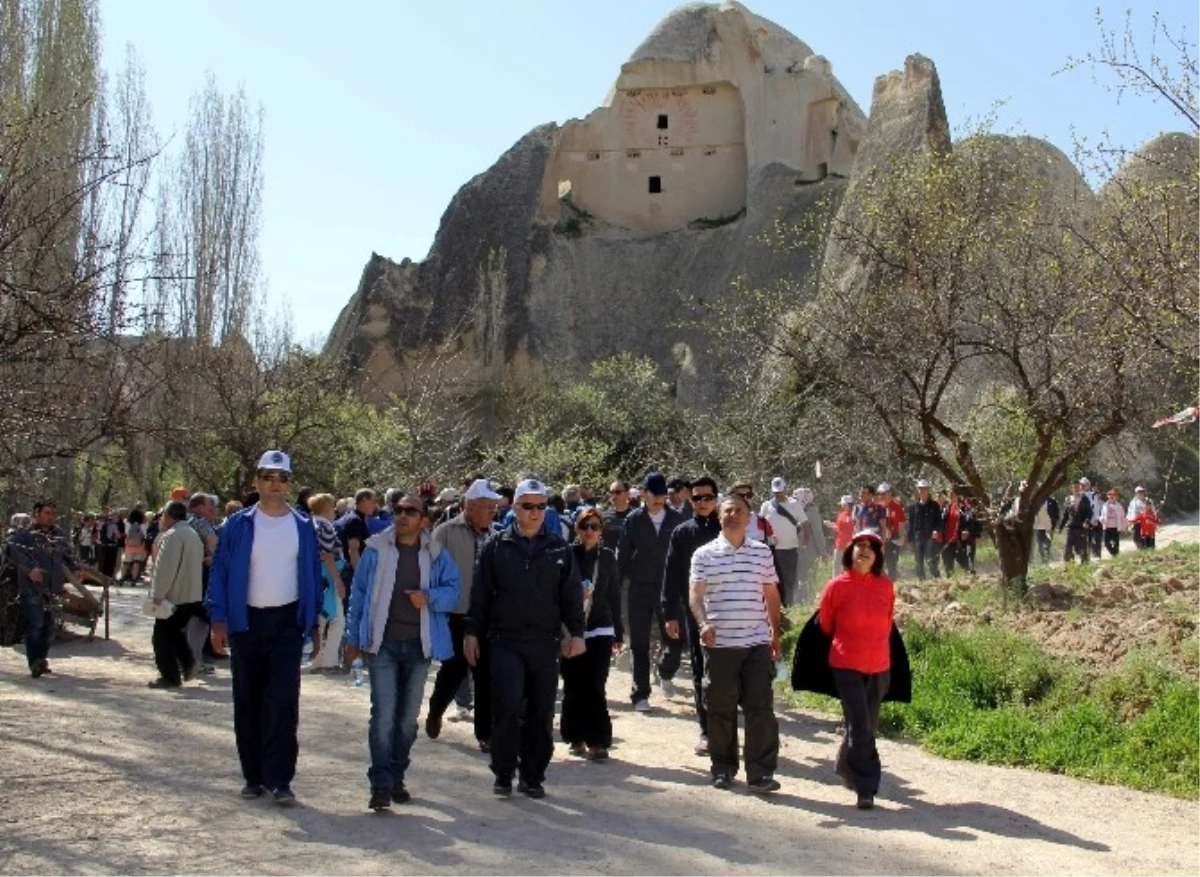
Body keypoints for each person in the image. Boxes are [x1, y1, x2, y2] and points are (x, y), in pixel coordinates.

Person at [207, 450, 324, 806]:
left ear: (289, 484)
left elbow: (312, 577)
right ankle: (253, 776)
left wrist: (315, 621)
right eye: (268, 477)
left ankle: (280, 779)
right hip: (247, 623)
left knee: (283, 701)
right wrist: (218, 619)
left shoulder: (304, 526)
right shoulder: (237, 525)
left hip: (287, 623)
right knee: (248, 699)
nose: (275, 484)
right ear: (256, 481)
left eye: (282, 478)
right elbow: (221, 574)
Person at [464, 478, 585, 799]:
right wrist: (472, 632)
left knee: (541, 711)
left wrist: (577, 633)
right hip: (505, 640)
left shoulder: (560, 547)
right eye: (528, 506)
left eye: (541, 507)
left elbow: (572, 595)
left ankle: (533, 775)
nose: (534, 512)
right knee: (507, 705)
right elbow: (480, 594)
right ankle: (503, 772)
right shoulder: (497, 546)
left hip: (545, 643)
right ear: (515, 507)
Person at [346, 494, 461, 811]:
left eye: (411, 511)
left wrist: (429, 597)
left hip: (419, 646)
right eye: (398, 510)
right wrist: (352, 637)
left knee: (407, 720)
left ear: (424, 519)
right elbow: (359, 594)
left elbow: (454, 591)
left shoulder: (436, 554)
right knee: (383, 716)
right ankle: (380, 784)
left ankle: (396, 775)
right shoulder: (376, 550)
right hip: (382, 645)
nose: (403, 515)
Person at [688, 493, 783, 793]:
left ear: (748, 517)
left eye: (739, 511)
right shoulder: (703, 554)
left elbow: (771, 595)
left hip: (755, 642)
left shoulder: (762, 553)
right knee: (720, 707)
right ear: (719, 515)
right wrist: (703, 624)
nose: (733, 515)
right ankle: (723, 768)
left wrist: (775, 634)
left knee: (760, 707)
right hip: (720, 644)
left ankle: (760, 773)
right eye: (728, 510)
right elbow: (695, 594)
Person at [819, 530, 895, 810]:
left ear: (877, 557)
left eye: (870, 548)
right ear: (849, 551)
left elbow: (888, 622)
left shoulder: (885, 586)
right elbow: (826, 624)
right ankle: (866, 787)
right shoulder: (836, 586)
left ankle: (845, 765)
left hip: (879, 665)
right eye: (859, 546)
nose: (864, 551)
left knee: (867, 723)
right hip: (846, 663)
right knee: (860, 725)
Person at [427, 478, 502, 750]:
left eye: (494, 508)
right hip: (455, 612)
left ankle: (486, 733)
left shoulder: (496, 535)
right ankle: (436, 710)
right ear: (469, 507)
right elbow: (430, 568)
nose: (492, 512)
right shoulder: (445, 532)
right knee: (454, 668)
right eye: (486, 507)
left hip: (486, 615)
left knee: (486, 674)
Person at [662, 476, 722, 756]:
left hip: (731, 609)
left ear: (716, 498)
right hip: (696, 610)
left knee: (730, 671)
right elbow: (672, 575)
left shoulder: (730, 528)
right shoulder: (682, 532)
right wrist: (669, 613)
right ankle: (707, 731)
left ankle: (726, 728)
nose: (702, 503)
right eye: (696, 498)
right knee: (701, 669)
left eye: (707, 497)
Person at [618, 471, 686, 711]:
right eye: (654, 494)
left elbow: (685, 555)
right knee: (639, 642)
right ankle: (640, 694)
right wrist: (624, 579)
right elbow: (623, 554)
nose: (658, 499)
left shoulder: (677, 520)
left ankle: (666, 671)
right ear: (644, 494)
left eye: (662, 495)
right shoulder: (633, 520)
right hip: (640, 587)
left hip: (670, 589)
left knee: (676, 639)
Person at [560, 507, 622, 760]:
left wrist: (619, 631)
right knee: (573, 684)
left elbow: (614, 595)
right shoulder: (566, 555)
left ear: (601, 530)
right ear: (577, 529)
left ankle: (598, 740)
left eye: (594, 527)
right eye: (584, 526)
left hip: (601, 627)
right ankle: (575, 736)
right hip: (572, 629)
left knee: (595, 685)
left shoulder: (607, 557)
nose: (589, 531)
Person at [6, 499, 81, 678]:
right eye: (47, 513)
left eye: (53, 514)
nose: (51, 517)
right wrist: (30, 568)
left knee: (49, 627)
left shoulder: (59, 535)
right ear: (36, 514)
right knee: (36, 623)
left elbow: (69, 555)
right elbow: (12, 552)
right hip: (32, 589)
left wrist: (76, 568)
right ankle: (35, 661)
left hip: (53, 589)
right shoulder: (24, 535)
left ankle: (41, 658)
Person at [148, 501, 206, 689]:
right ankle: (188, 663)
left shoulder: (173, 536)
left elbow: (166, 568)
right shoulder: (192, 534)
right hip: (191, 595)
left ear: (169, 516)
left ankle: (170, 676)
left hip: (174, 596)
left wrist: (158, 594)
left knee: (162, 637)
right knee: (177, 633)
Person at [306, 493, 347, 673]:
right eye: (332, 506)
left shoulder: (309, 523)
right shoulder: (325, 526)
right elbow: (328, 555)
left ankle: (319, 661)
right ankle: (329, 662)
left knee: (322, 617)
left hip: (316, 575)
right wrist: (338, 580)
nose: (335, 510)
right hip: (328, 575)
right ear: (325, 508)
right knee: (337, 618)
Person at [759, 476, 806, 607]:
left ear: (786, 490)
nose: (778, 494)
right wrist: (767, 537)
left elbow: (805, 524)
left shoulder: (794, 504)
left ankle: (789, 603)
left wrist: (804, 542)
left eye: (780, 491)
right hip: (772, 549)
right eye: (775, 492)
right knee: (774, 578)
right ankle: (776, 604)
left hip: (791, 548)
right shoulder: (766, 506)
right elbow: (761, 525)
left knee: (790, 578)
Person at [907, 480, 941, 580]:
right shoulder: (913, 507)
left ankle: (937, 578)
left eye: (924, 489)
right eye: (920, 489)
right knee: (918, 561)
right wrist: (910, 539)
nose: (922, 491)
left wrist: (936, 530)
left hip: (930, 537)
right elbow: (911, 524)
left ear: (928, 490)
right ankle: (922, 581)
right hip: (918, 537)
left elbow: (939, 521)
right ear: (918, 490)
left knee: (931, 560)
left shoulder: (934, 505)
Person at [877, 484, 906, 580]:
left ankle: (892, 587)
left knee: (891, 565)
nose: (881, 496)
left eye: (883, 494)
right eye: (879, 494)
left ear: (889, 493)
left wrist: (902, 537)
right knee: (878, 565)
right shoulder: (878, 507)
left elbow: (901, 523)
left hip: (893, 540)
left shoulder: (897, 507)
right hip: (880, 540)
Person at [1062, 479, 1093, 565]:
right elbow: (1065, 514)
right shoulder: (1068, 499)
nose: (1075, 489)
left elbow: (1089, 512)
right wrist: (1061, 526)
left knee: (1082, 547)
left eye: (1077, 487)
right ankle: (1068, 564)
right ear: (1071, 488)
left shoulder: (1084, 499)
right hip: (1070, 526)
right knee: (1068, 546)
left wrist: (1086, 521)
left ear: (1080, 488)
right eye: (1073, 487)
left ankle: (1085, 564)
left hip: (1081, 526)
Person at [1099, 488, 1127, 557]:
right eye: (1109, 494)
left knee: (1116, 543)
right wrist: (1101, 519)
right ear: (1107, 496)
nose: (1111, 496)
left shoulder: (1119, 506)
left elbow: (1122, 518)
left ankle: (1116, 556)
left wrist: (1124, 528)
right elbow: (1101, 515)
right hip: (1107, 527)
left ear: (1117, 496)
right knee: (1106, 543)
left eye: (1114, 494)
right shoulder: (1104, 505)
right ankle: (1114, 554)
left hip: (1115, 527)